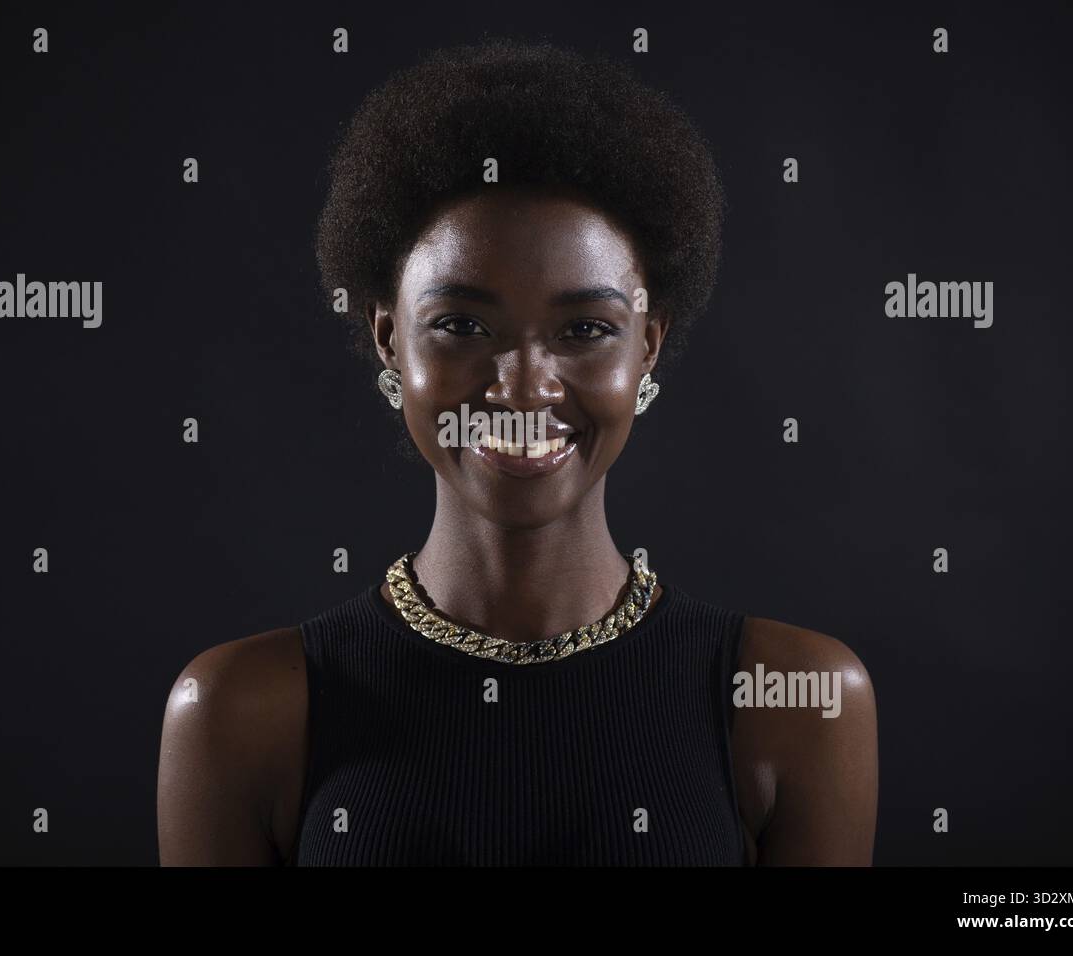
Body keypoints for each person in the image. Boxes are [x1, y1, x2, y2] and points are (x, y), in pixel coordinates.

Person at [157, 36, 877, 866]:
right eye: (463, 325)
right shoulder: (242, 711)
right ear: (390, 341)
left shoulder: (795, 701)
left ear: (647, 346)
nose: (523, 387)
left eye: (585, 330)